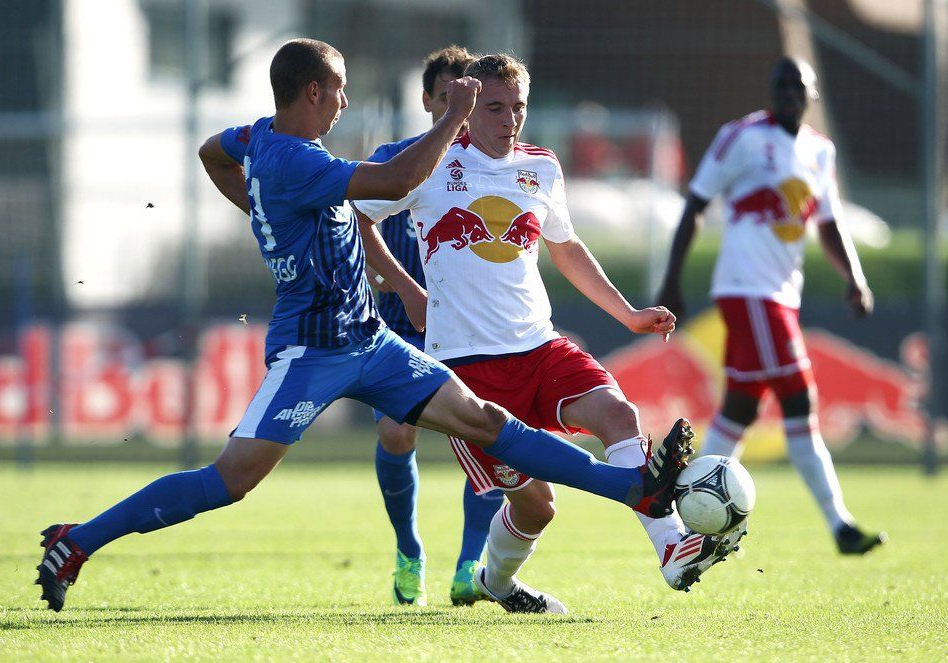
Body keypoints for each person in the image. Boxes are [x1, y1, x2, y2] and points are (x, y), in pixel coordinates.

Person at [35, 38, 693, 613]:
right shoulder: (297, 161)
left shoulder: (256, 137)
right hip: (311, 351)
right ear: (312, 93)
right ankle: (78, 540)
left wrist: (260, 213)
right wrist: (454, 117)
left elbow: (213, 153)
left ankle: (633, 487)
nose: (345, 103)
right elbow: (400, 176)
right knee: (229, 480)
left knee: (487, 422)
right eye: (339, 91)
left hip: (372, 340)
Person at [354, 54, 745, 614]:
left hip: (540, 346)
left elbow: (565, 247)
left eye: (518, 107)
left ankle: (672, 548)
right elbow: (358, 215)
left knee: (620, 415)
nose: (509, 119)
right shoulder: (431, 163)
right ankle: (497, 583)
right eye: (495, 107)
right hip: (466, 371)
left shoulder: (541, 166)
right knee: (538, 507)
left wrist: (629, 315)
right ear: (468, 109)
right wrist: (405, 287)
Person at [656, 57, 885, 555]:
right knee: (799, 400)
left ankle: (675, 511)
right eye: (780, 85)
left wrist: (854, 278)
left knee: (740, 408)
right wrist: (671, 280)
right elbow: (696, 203)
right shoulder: (741, 137)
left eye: (797, 86)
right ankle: (840, 525)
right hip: (748, 290)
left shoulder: (820, 151)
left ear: (811, 93)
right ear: (770, 90)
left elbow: (828, 222)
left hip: (781, 292)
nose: (788, 93)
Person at [361, 46, 504, 608]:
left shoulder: (495, 165)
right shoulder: (395, 161)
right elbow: (357, 227)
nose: (459, 111)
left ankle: (471, 565)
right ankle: (408, 550)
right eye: (448, 98)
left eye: (469, 100)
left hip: (475, 329)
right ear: (427, 101)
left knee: (489, 437)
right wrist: (405, 288)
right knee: (396, 433)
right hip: (405, 327)